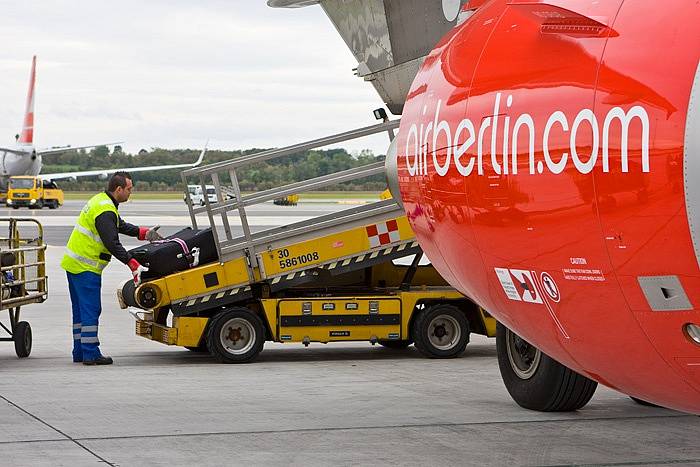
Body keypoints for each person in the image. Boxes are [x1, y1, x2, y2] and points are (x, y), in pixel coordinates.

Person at [61, 172, 163, 365]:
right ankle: (90, 353)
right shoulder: (106, 209)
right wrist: (132, 263)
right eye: (129, 189)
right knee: (91, 309)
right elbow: (112, 242)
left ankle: (80, 351)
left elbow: (118, 225)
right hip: (85, 267)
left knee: (80, 310)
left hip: (73, 264)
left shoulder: (102, 201)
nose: (131, 192)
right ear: (119, 189)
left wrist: (144, 233)